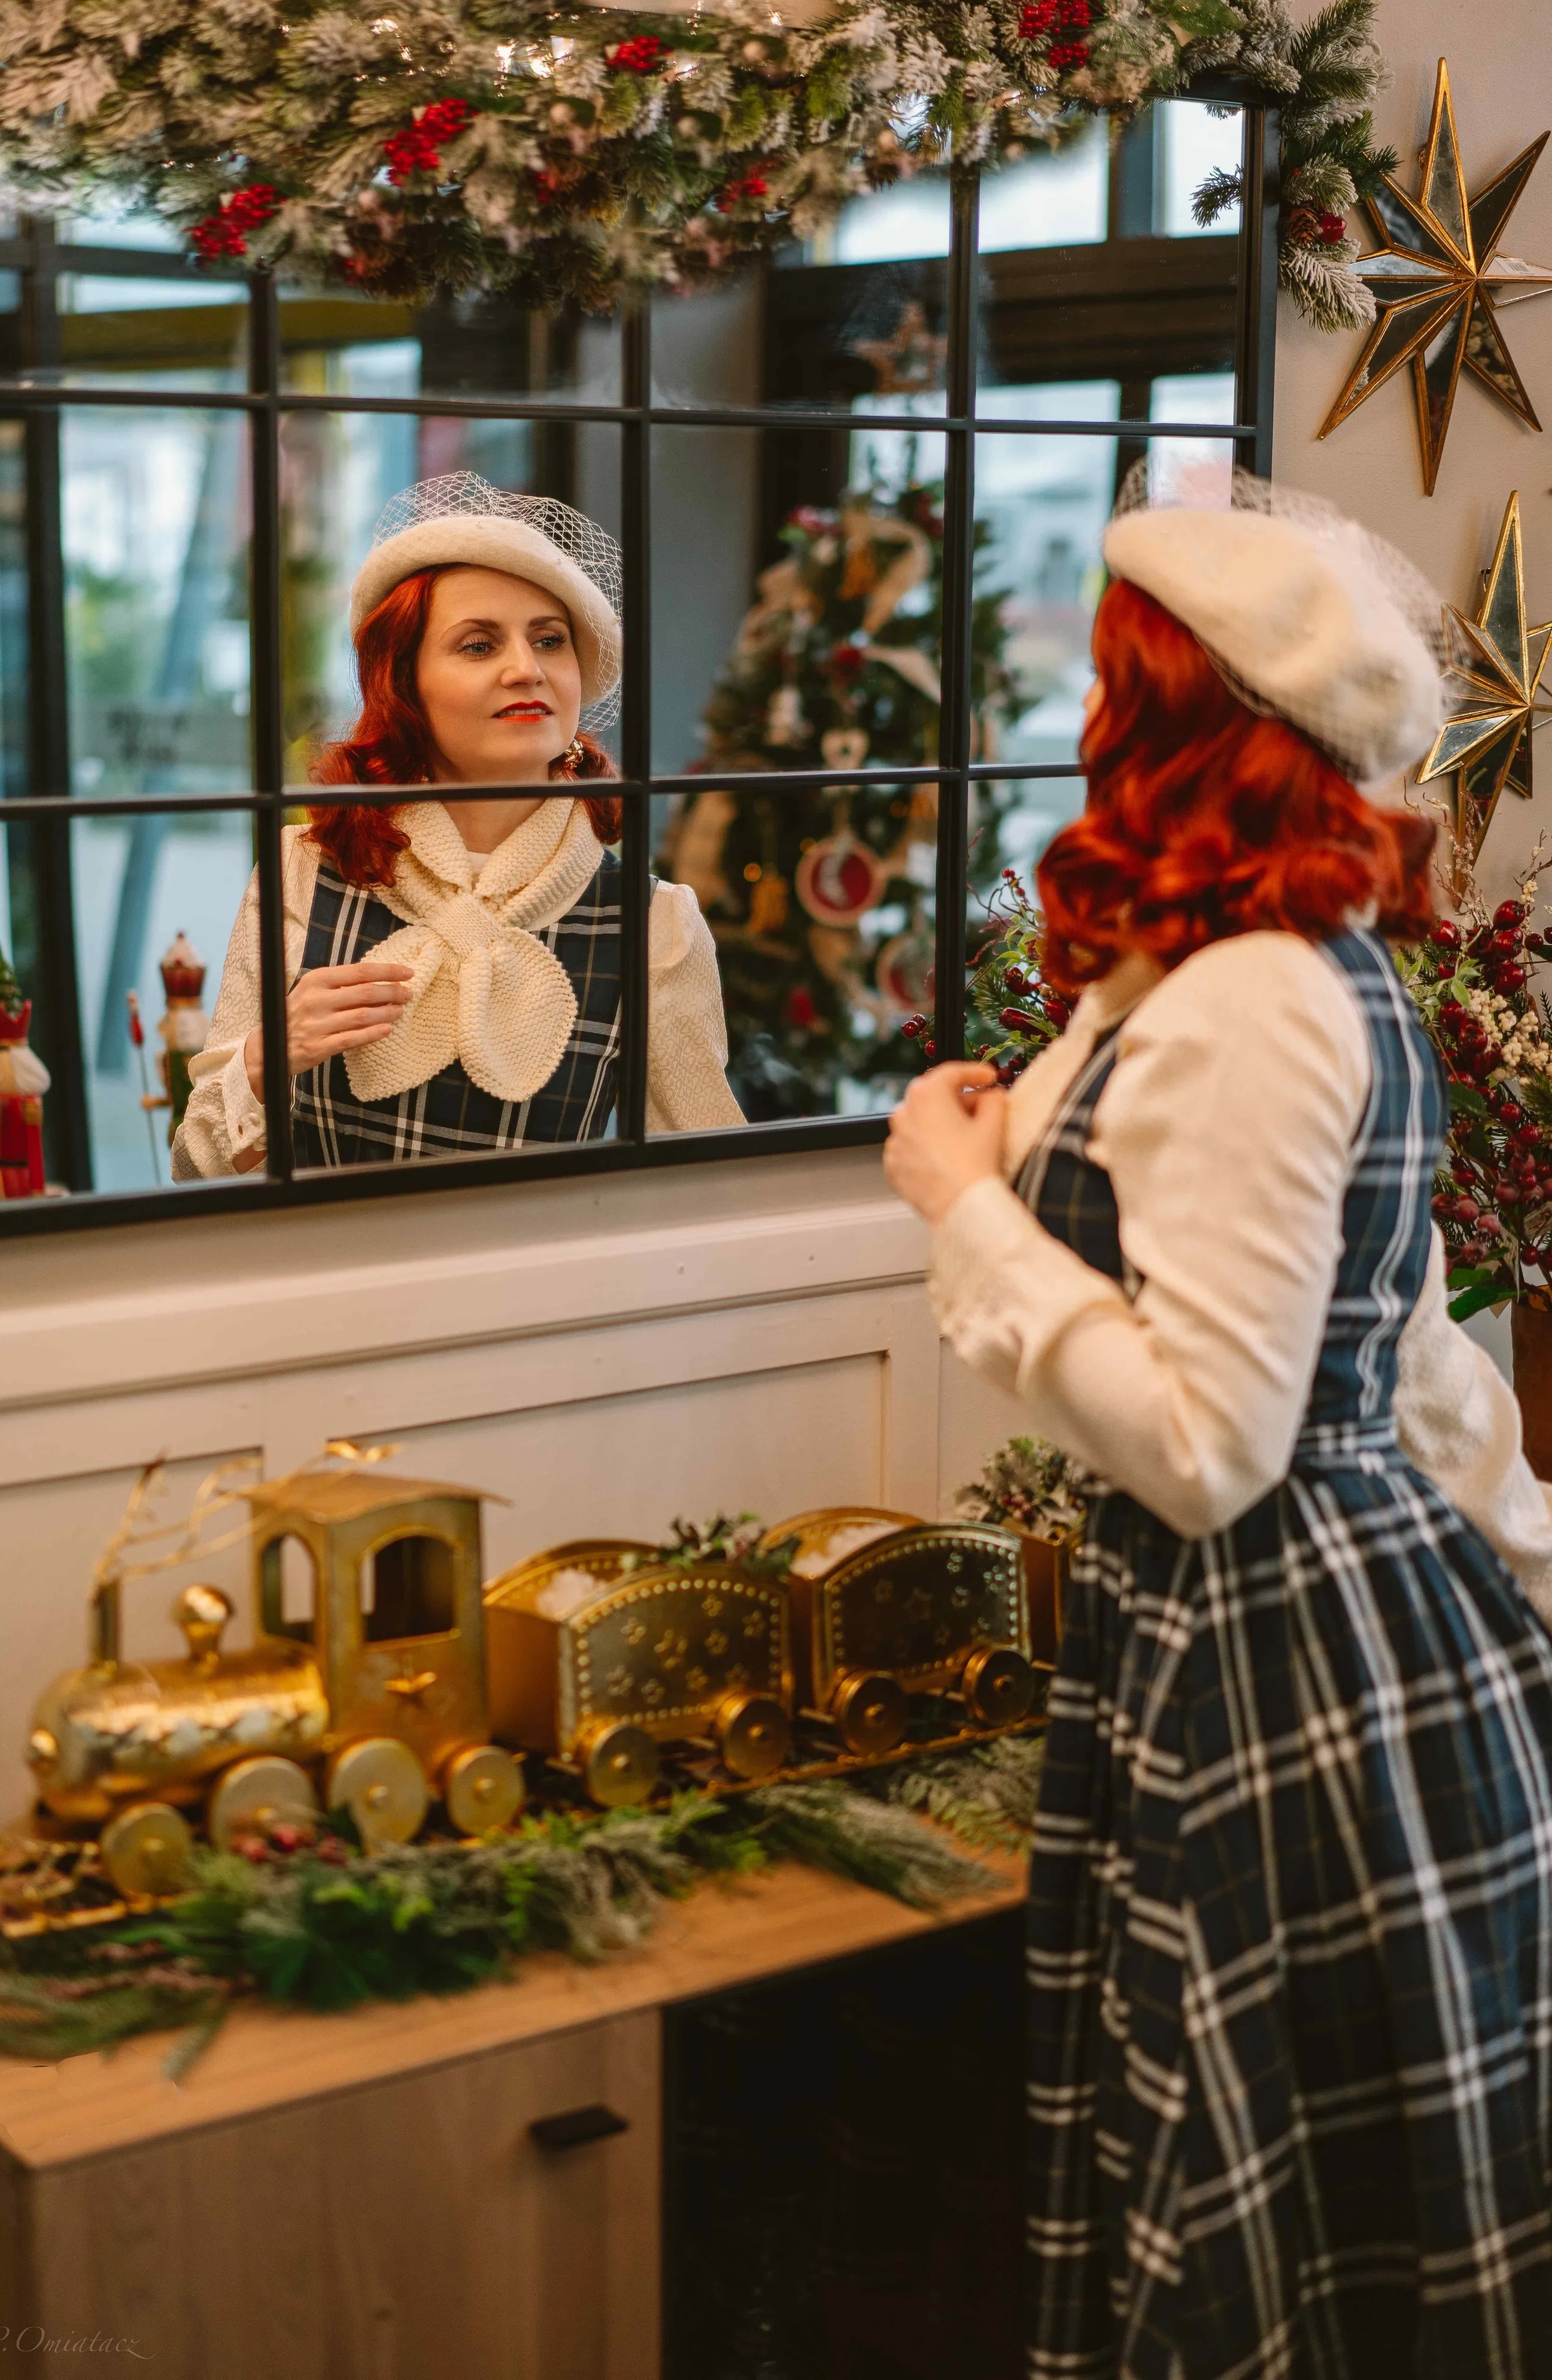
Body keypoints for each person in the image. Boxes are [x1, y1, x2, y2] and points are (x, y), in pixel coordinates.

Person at [883, 473, 1552, 2376]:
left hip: (1284, 1660)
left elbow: (1209, 1447)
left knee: (1285, 2199)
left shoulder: (1255, 996)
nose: (1084, 712)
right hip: (1255, 1637)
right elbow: (1404, 1351)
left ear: (1181, 715)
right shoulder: (1193, 973)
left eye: (1115, 679)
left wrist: (963, 1200)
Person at [174, 475, 743, 1177]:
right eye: (479, 645)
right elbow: (196, 1167)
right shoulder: (301, 869)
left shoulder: (655, 926)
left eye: (550, 639)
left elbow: (705, 1186)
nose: (525, 669)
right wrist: (267, 1061)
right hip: (324, 1281)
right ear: (403, 684)